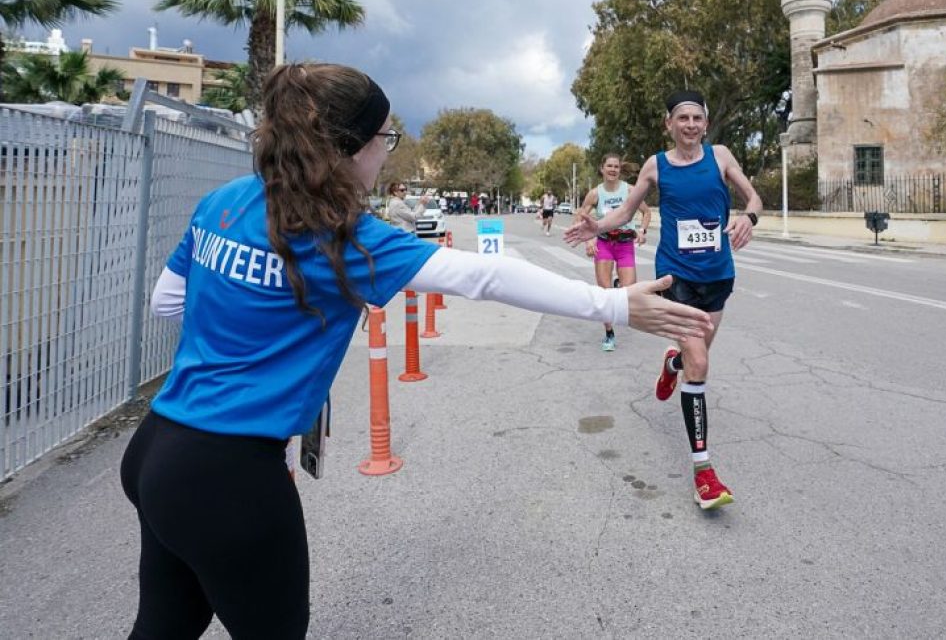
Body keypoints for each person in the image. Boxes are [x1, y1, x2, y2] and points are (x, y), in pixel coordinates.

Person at [119, 63, 711, 639]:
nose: (386, 152)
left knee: (167, 625)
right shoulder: (343, 236)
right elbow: (484, 276)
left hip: (155, 451)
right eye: (386, 138)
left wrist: (259, 307)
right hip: (231, 477)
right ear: (352, 147)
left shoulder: (224, 200)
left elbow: (167, 302)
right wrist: (613, 305)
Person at [565, 90, 762, 511]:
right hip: (677, 275)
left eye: (697, 118)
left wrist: (749, 217)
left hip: (718, 275)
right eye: (682, 118)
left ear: (705, 124)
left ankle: (672, 365)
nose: (690, 125)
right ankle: (704, 473)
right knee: (701, 363)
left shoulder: (721, 156)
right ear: (669, 124)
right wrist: (597, 227)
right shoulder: (656, 165)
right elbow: (626, 212)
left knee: (692, 359)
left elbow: (754, 198)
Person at [577, 153, 652, 351]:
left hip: (625, 244)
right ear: (602, 169)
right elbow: (581, 216)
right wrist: (589, 240)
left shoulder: (630, 190)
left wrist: (642, 231)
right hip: (604, 243)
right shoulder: (595, 193)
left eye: (616, 167)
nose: (613, 170)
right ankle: (609, 333)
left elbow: (646, 212)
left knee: (630, 291)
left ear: (620, 169)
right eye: (609, 166)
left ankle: (620, 286)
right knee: (604, 292)